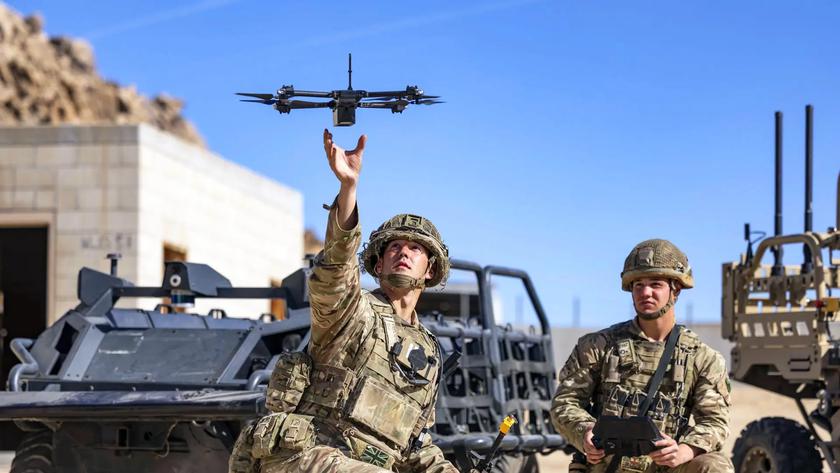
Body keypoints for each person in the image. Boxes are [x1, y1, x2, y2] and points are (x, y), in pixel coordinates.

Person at [230, 130, 458, 473]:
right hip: (307, 455)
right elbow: (335, 271)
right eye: (394, 247)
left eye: (415, 249)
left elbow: (417, 446)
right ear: (378, 266)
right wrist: (348, 188)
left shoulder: (429, 353)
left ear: (430, 270)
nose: (403, 253)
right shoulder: (353, 312)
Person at [551, 239, 734, 473]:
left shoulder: (702, 358)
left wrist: (684, 451)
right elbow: (565, 402)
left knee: (715, 466)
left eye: (655, 284)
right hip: (605, 467)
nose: (645, 293)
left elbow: (715, 422)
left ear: (676, 289)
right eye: (638, 285)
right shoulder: (598, 346)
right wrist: (585, 432)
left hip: (665, 468)